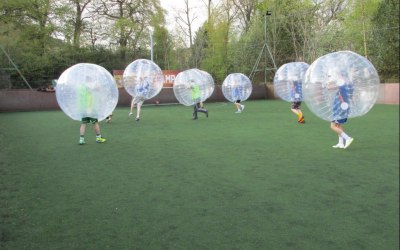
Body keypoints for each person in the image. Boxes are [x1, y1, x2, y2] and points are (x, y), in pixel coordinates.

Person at [328, 70, 354, 149]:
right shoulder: (349, 83)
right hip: (344, 106)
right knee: (338, 125)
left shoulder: (341, 82)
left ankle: (348, 138)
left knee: (332, 126)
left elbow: (330, 88)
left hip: (339, 107)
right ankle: (341, 143)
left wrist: (327, 84)